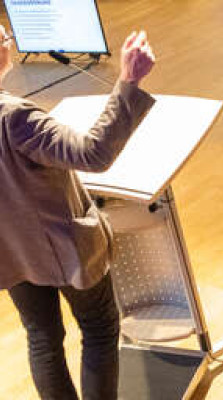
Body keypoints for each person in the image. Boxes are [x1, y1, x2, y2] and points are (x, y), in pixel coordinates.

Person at [0, 28, 155, 400]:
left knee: (42, 339)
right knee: (100, 328)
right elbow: (93, 153)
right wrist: (129, 80)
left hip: (11, 254)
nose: (9, 39)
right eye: (4, 35)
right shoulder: (14, 116)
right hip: (63, 249)